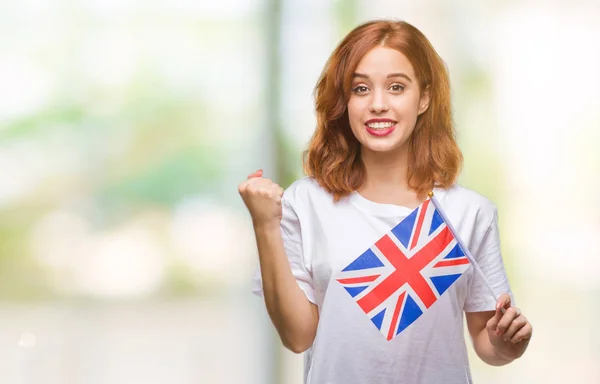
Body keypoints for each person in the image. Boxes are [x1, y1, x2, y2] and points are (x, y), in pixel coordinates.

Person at [238, 19, 532, 384]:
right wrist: (265, 224)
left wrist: (509, 343)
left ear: (423, 97)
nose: (378, 104)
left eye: (396, 87)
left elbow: (487, 343)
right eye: (360, 88)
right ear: (344, 100)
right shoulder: (306, 202)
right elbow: (297, 337)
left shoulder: (469, 213)